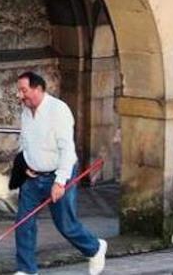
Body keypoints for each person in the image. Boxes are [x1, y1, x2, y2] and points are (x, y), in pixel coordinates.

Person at [13, 71, 107, 275]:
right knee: (23, 222)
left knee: (66, 224)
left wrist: (60, 182)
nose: (19, 95)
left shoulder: (59, 110)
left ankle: (95, 248)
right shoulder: (26, 111)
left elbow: (67, 150)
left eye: (23, 90)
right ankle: (27, 270)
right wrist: (26, 164)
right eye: (19, 91)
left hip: (58, 175)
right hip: (33, 177)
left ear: (38, 89)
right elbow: (26, 141)